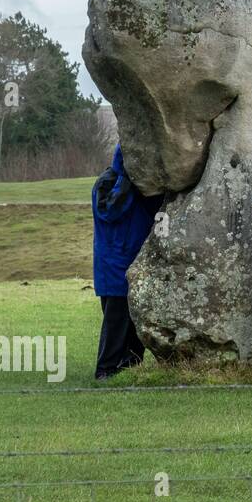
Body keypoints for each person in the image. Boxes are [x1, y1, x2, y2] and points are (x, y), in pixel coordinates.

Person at [92, 144, 164, 379]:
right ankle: (105, 369)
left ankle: (130, 367)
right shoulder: (106, 181)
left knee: (136, 319)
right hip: (113, 263)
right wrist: (127, 179)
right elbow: (111, 210)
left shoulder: (142, 186)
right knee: (116, 320)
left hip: (136, 262)